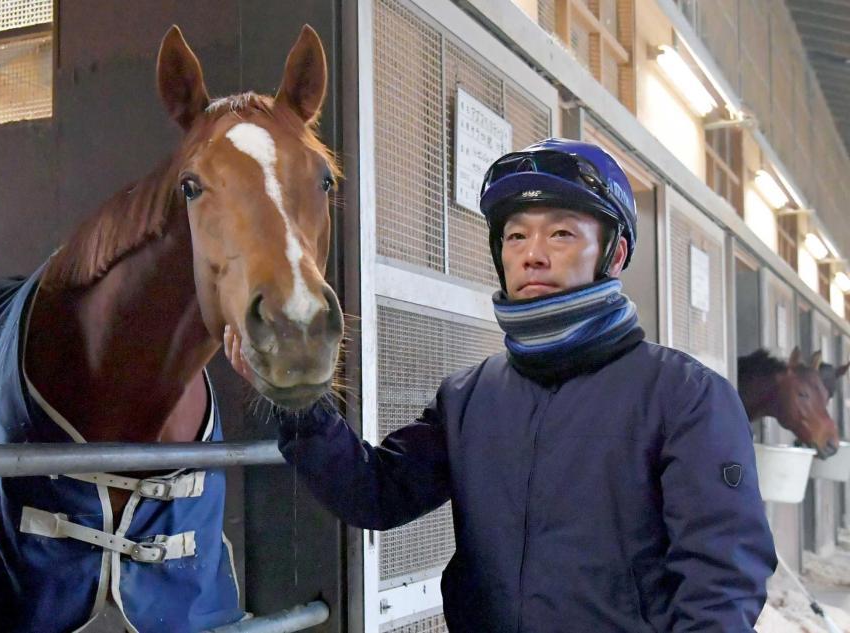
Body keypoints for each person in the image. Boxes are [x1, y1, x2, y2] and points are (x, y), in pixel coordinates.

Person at [225, 138, 776, 632]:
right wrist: (297, 400)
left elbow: (721, 581)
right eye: (516, 235)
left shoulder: (685, 396)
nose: (532, 253)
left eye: (561, 232)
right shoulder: (470, 398)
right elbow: (376, 494)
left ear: (616, 254)